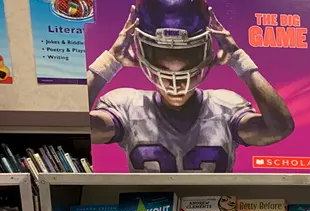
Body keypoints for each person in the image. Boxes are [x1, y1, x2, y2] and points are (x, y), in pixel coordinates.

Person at [87, 0, 294, 172]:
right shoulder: (127, 106)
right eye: (165, 68)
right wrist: (109, 61)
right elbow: (73, 127)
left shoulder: (225, 106)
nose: (175, 83)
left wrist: (240, 59)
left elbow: (279, 128)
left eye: (186, 67)